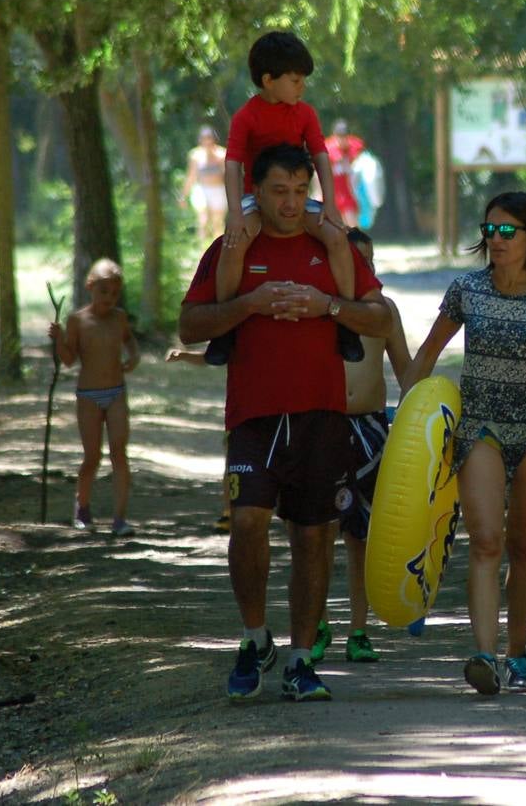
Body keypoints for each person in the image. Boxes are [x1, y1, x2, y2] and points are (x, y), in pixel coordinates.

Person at [178, 143, 390, 703]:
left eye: (302, 190)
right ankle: (253, 639)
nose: (292, 203)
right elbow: (190, 324)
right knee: (247, 523)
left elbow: (380, 314)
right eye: (279, 191)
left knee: (313, 536)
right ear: (256, 191)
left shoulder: (332, 248)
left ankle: (300, 660)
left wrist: (329, 307)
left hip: (323, 416)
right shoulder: (234, 248)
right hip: (254, 415)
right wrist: (251, 302)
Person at [402, 191, 526, 695]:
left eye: (508, 231)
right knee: (486, 540)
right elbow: (427, 354)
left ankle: (517, 655)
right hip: (479, 426)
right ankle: (483, 654)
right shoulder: (466, 290)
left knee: (524, 544)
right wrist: (402, 420)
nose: (496, 240)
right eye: (490, 230)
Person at [213, 31, 361, 364]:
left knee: (337, 237)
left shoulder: (305, 113)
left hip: (296, 196)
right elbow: (233, 163)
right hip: (257, 198)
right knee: (234, 243)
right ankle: (225, 328)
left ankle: (346, 323)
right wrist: (235, 212)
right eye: (295, 80)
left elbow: (321, 155)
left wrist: (332, 204)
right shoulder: (246, 117)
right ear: (268, 80)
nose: (301, 87)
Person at [310, 228, 413, 664]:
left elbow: (407, 370)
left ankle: (358, 629)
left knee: (363, 538)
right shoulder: (318, 308)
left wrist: (425, 422)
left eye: (368, 261)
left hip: (372, 431)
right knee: (318, 534)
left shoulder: (384, 311)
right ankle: (314, 625)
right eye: (353, 260)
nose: (362, 268)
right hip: (324, 427)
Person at [49, 258, 141, 537]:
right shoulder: (78, 320)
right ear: (90, 287)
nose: (109, 299)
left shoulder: (119, 317)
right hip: (88, 395)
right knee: (92, 456)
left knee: (119, 453)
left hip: (116, 393)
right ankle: (82, 506)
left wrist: (134, 356)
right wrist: (59, 339)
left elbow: (129, 340)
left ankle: (119, 519)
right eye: (104, 292)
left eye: (114, 293)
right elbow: (68, 360)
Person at [164, 348, 232, 534]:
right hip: (244, 410)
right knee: (234, 456)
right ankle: (229, 512)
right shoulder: (241, 323)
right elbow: (214, 355)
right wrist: (185, 355)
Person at [179, 126, 227, 241]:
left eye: (209, 137)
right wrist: (183, 195)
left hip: (218, 190)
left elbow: (229, 176)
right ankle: (202, 251)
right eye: (204, 138)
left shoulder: (222, 154)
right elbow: (191, 176)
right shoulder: (195, 156)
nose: (207, 141)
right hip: (201, 189)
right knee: (203, 219)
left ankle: (217, 251)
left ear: (214, 139)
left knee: (217, 222)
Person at [325, 119, 365, 229]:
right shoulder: (328, 148)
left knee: (353, 227)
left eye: (344, 136)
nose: (342, 140)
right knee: (334, 229)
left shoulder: (353, 147)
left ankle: (355, 246)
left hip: (347, 193)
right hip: (332, 194)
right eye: (339, 136)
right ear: (334, 135)